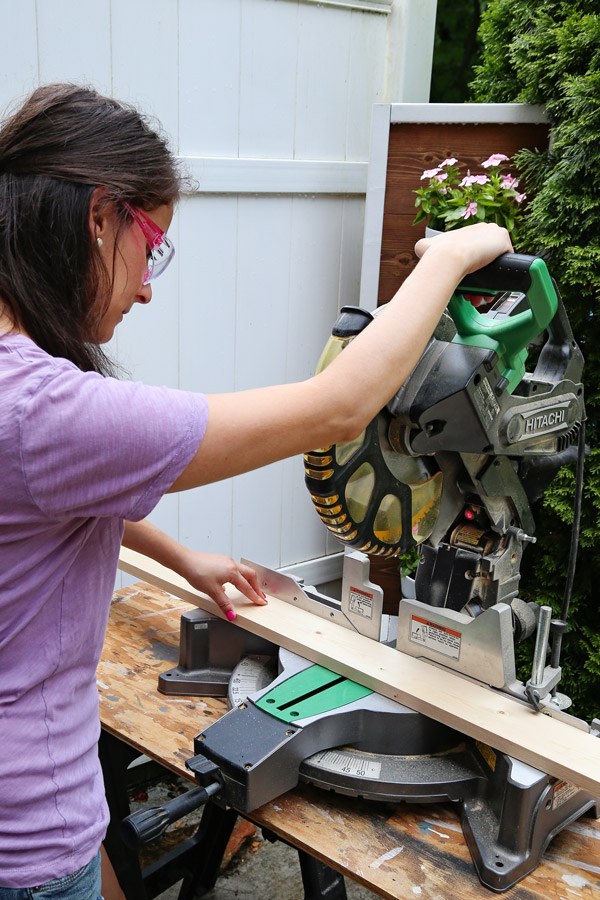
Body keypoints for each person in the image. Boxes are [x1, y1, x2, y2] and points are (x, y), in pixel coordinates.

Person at [0, 83, 512, 899]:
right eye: (153, 246)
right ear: (100, 218)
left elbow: (41, 497)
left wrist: (183, 555)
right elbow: (338, 408)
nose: (146, 288)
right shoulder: (44, 408)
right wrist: (446, 260)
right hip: (25, 831)